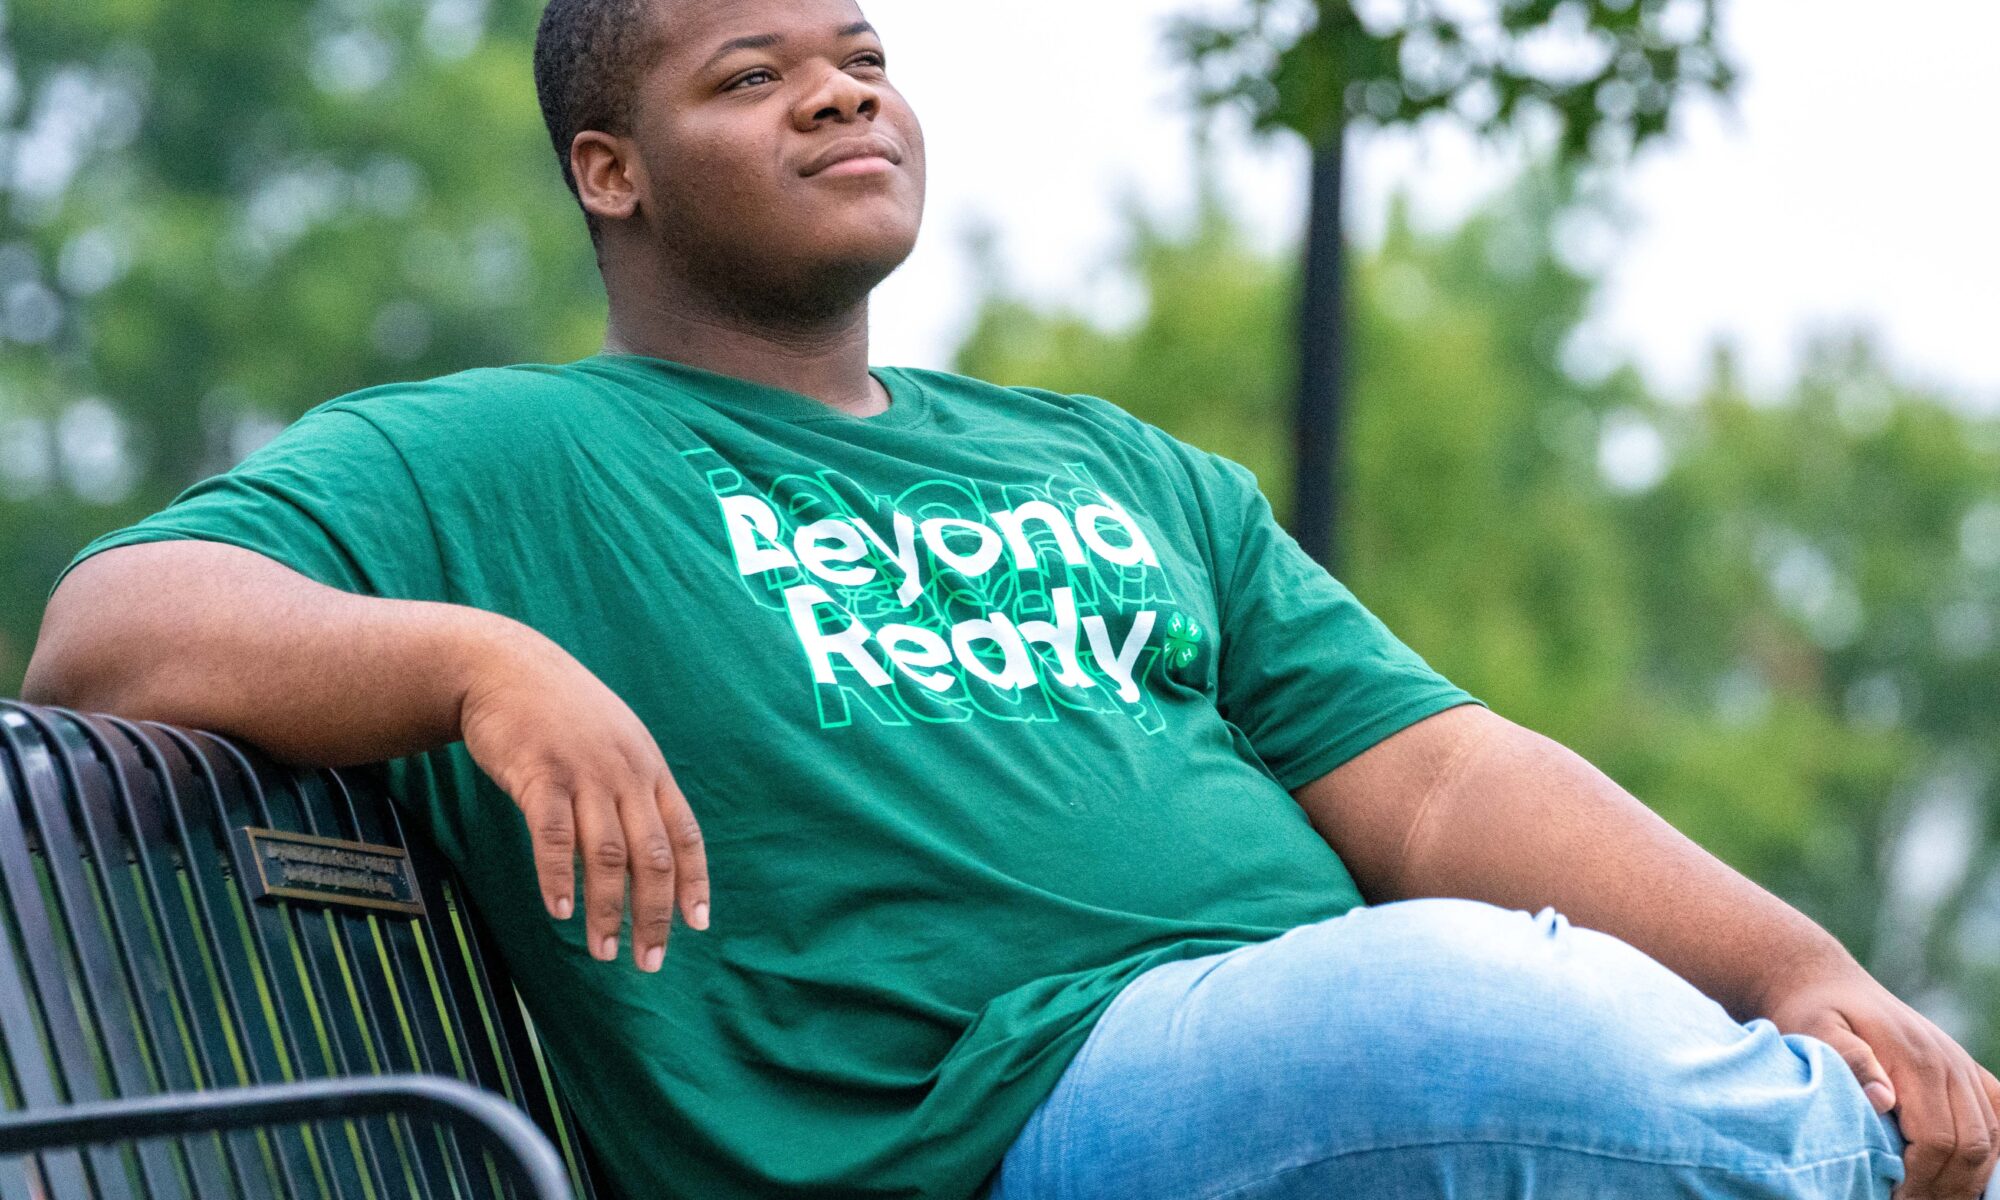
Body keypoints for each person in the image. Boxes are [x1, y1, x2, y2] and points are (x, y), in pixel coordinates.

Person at [22, 0, 1998, 1197]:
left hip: (1286, 1043)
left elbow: (1442, 785)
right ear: (612, 171)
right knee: (1445, 1014)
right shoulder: (503, 459)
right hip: (972, 1128)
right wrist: (469, 658)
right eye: (757, 74)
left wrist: (1794, 974)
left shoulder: (1113, 466)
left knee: (1470, 990)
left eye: (865, 58)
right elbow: (107, 631)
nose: (841, 94)